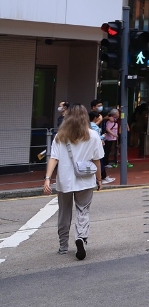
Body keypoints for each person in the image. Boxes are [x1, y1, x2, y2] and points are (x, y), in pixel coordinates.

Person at [43, 105, 104, 259]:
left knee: (64, 212)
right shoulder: (93, 135)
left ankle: (63, 246)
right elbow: (97, 160)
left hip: (65, 180)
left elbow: (54, 158)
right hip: (85, 179)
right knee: (83, 210)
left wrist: (47, 179)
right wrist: (99, 179)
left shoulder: (60, 136)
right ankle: (80, 237)